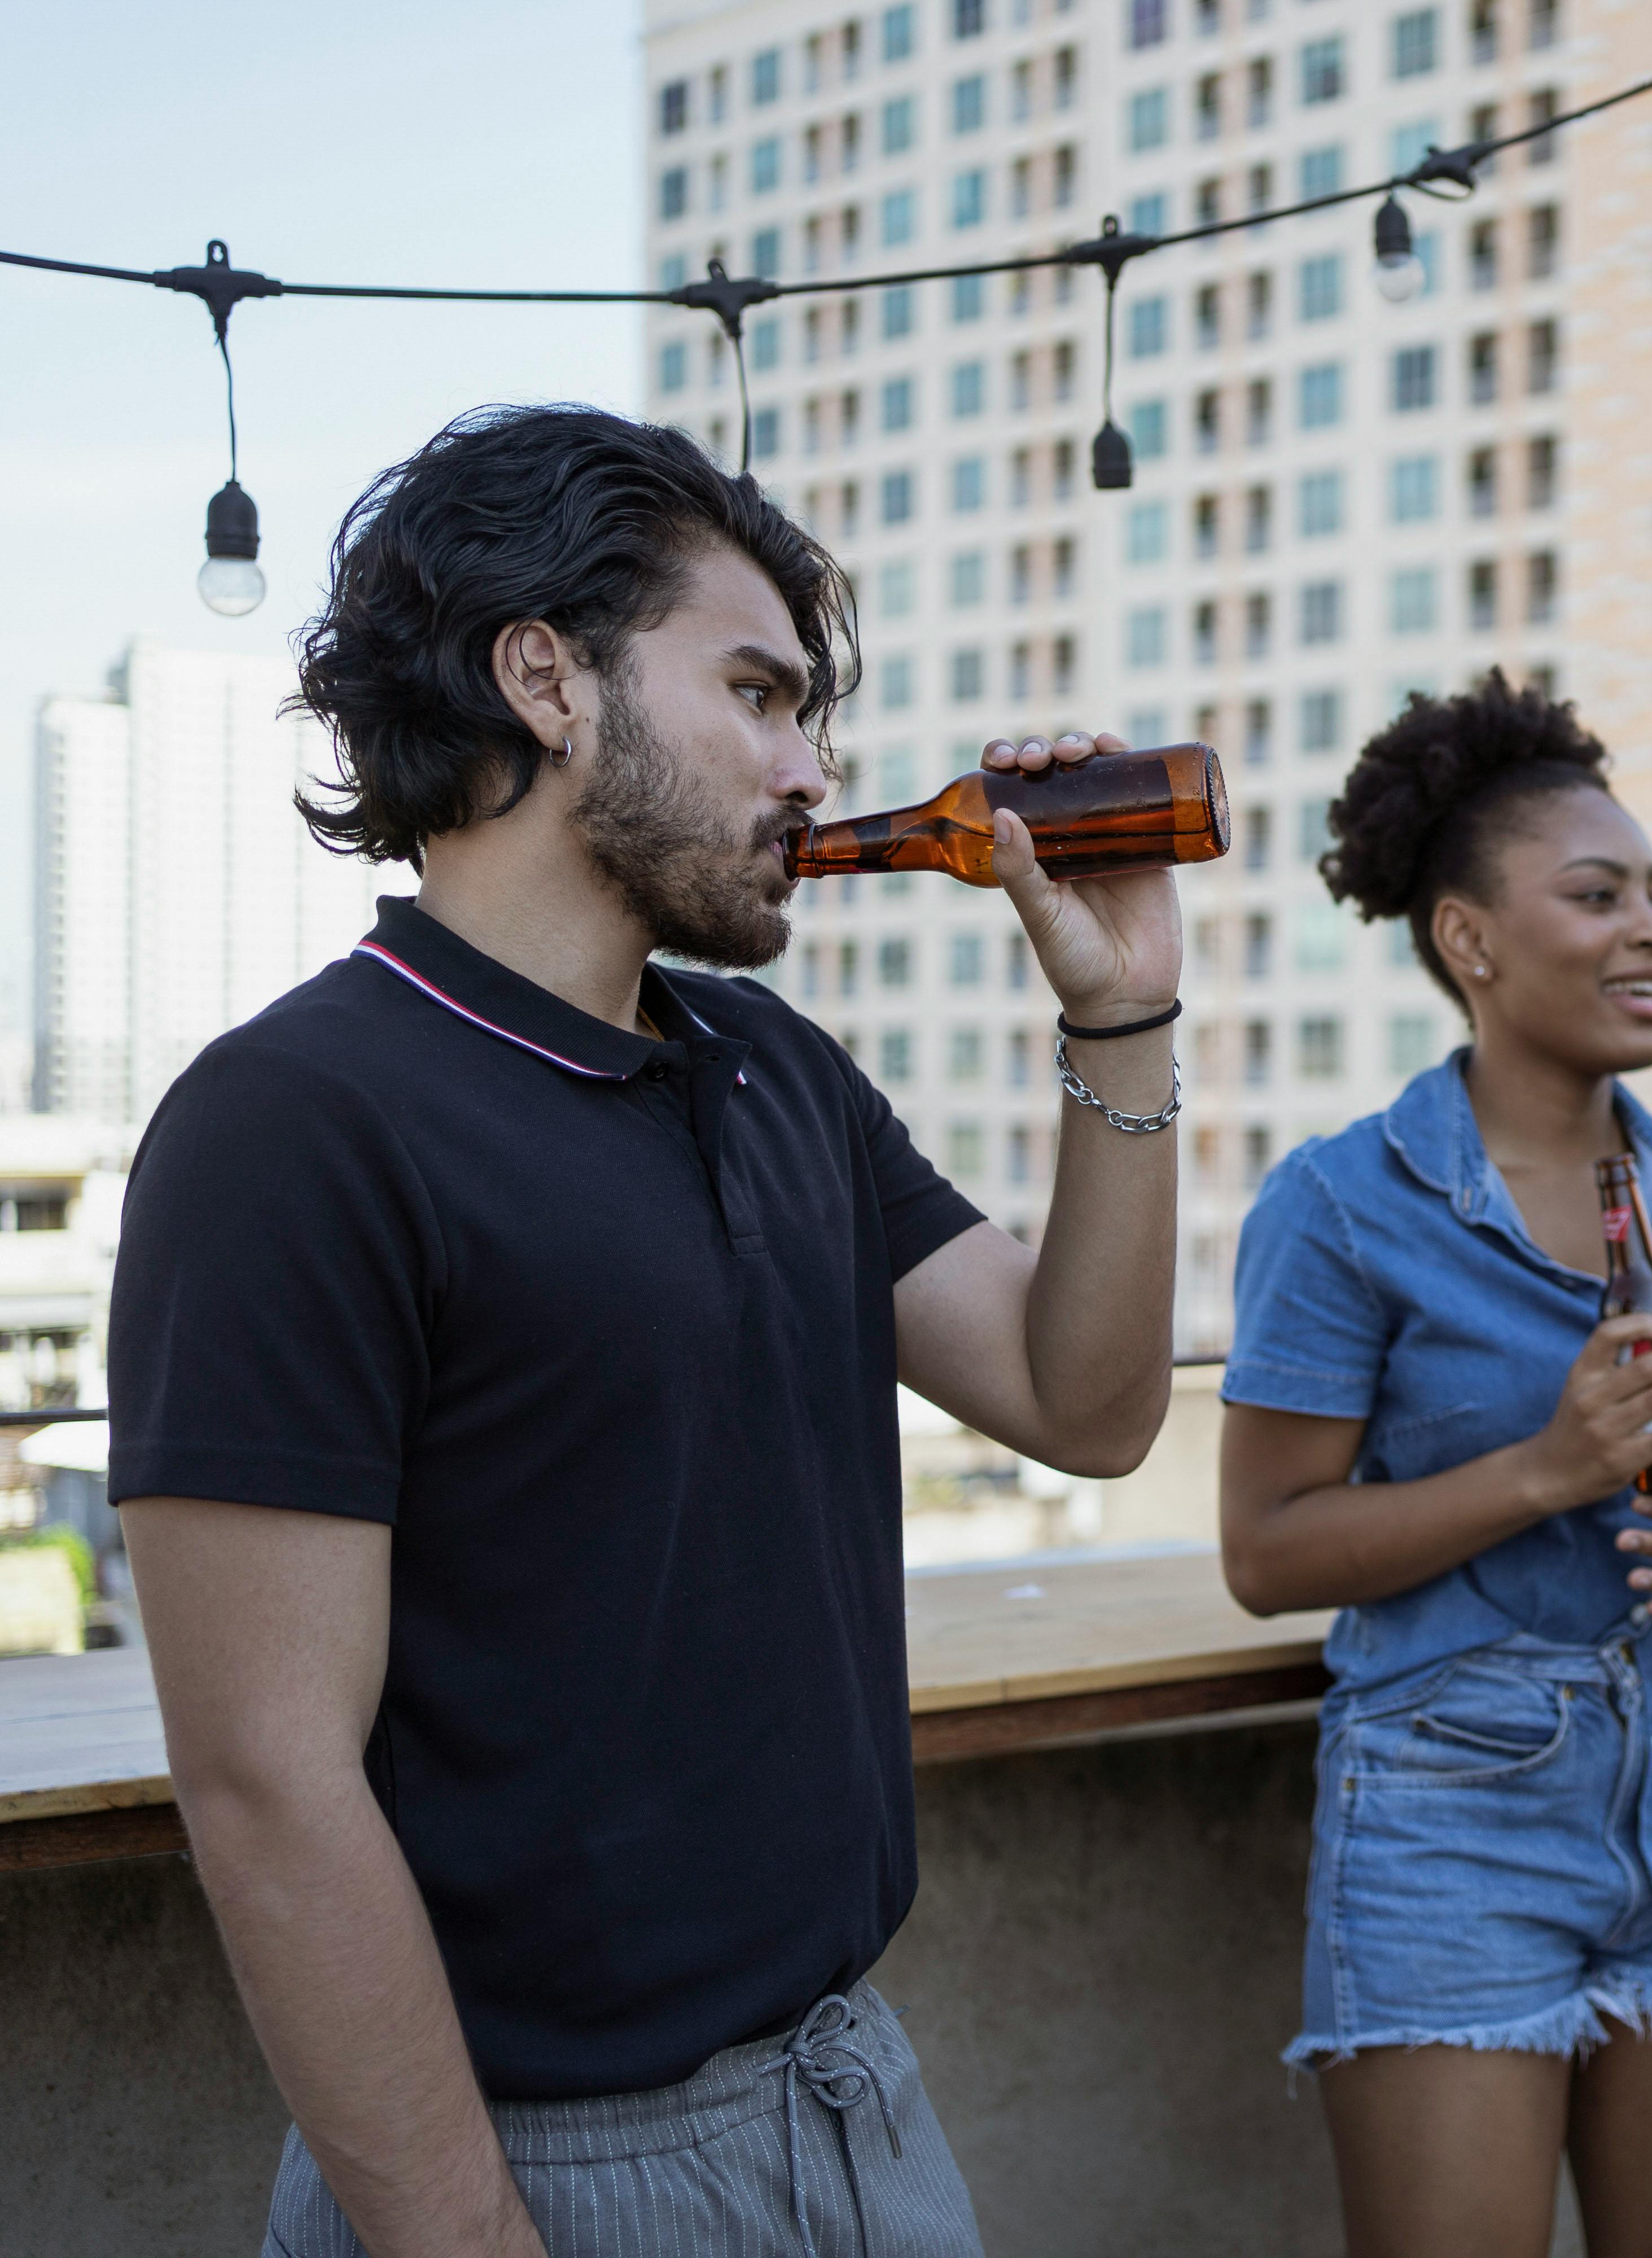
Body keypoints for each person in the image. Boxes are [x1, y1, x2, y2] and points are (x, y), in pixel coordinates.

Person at [109, 406, 1190, 2258]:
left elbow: (1082, 1407)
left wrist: (1126, 1016)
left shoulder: (778, 1069)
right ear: (546, 680)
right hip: (537, 2168)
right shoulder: (292, 1123)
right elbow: (270, 1789)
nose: (810, 769)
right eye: (757, 695)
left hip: (856, 2101)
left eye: (810, 716)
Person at [1216, 675, 1652, 2258]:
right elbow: (1266, 1552)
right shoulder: (1341, 1205)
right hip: (1451, 1833)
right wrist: (1550, 1468)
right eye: (1601, 897)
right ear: (1468, 939)